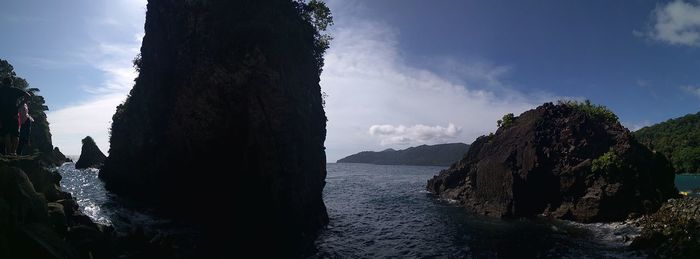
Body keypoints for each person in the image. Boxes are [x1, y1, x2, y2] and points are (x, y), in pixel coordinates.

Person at [0, 77, 30, 155]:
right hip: (14, 114)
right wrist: (21, 104)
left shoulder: (1, 90)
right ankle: (14, 152)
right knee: (15, 134)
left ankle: (9, 152)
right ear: (11, 83)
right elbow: (28, 95)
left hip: (3, 115)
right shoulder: (15, 90)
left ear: (3, 83)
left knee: (6, 133)